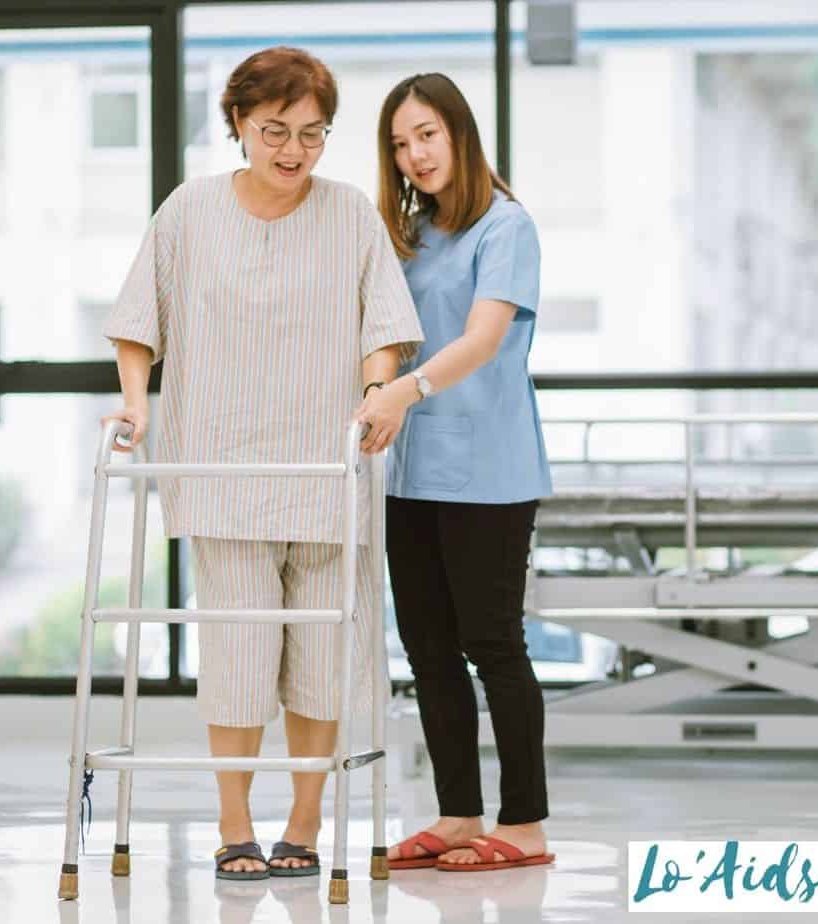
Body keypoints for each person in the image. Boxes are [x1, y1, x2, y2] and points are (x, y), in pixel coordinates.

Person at [101, 47, 423, 881]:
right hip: (222, 471)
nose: (292, 150)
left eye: (311, 134)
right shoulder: (188, 212)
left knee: (322, 662)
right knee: (240, 657)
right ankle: (234, 823)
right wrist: (136, 402)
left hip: (325, 467)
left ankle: (306, 822)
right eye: (274, 130)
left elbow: (383, 326)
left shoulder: (350, 213)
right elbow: (141, 321)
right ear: (238, 125)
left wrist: (375, 391)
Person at [352, 72, 554, 873]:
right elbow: (388, 331)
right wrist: (379, 389)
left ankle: (526, 824)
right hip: (411, 466)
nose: (413, 156)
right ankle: (459, 813)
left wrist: (402, 389)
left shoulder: (506, 226)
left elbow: (480, 340)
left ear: (459, 133)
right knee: (428, 647)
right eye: (400, 144)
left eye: (425, 135)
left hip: (488, 469)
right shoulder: (411, 233)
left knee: (491, 643)